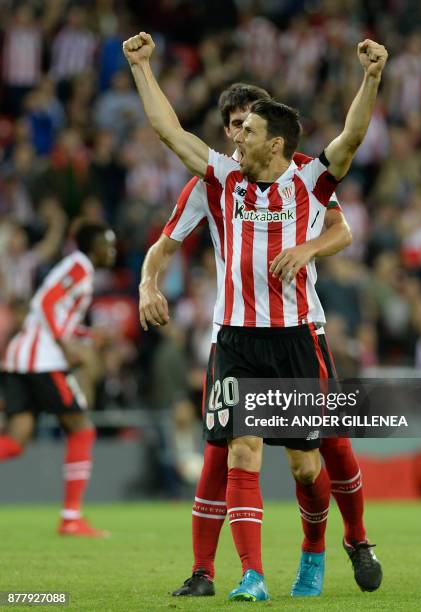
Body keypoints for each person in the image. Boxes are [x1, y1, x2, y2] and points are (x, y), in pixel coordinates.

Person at [124, 32, 387, 600]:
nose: (235, 135)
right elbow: (170, 132)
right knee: (241, 449)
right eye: (234, 128)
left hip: (297, 338)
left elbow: (354, 136)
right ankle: (252, 576)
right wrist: (143, 67)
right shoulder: (221, 180)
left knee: (305, 465)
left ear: (276, 144)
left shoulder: (311, 182)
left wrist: (371, 77)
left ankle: (320, 549)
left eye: (247, 129)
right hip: (237, 340)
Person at [0, 221, 116, 537]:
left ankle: (71, 517)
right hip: (42, 359)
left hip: (22, 356)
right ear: (93, 247)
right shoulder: (80, 266)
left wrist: (89, 335)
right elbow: (46, 301)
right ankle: (70, 517)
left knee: (15, 439)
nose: (113, 250)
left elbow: (58, 316)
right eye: (109, 243)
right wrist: (66, 346)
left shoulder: (79, 270)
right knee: (82, 430)